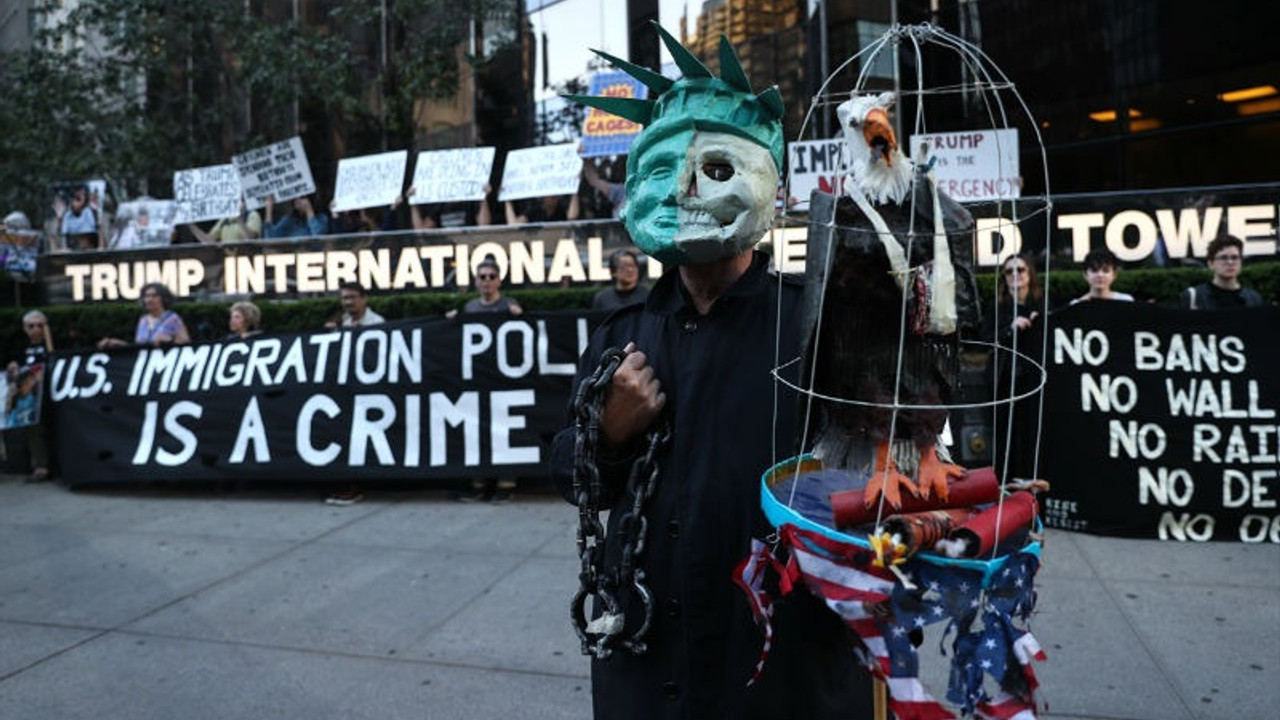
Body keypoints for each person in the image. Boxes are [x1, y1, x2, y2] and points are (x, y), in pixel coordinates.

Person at [550, 28, 874, 720]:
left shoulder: (816, 327)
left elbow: (886, 473)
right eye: (663, 170)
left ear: (771, 188)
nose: (687, 188)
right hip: (652, 668)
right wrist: (608, 433)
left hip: (781, 674)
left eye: (717, 167)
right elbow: (568, 474)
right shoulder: (621, 335)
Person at [448, 257, 522, 503]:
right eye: (483, 277)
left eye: (492, 276)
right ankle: (478, 483)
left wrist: (520, 318)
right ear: (476, 281)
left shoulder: (510, 305)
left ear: (499, 280)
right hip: (478, 383)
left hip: (504, 383)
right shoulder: (470, 309)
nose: (487, 281)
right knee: (477, 432)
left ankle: (506, 482)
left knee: (504, 431)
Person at [980, 253, 1046, 480]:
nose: (1015, 275)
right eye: (1009, 271)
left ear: (1030, 274)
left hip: (1034, 380)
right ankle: (1002, 486)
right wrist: (1010, 328)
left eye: (1020, 270)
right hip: (1003, 379)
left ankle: (1033, 486)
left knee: (1033, 434)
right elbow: (985, 341)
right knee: (1002, 436)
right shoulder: (997, 307)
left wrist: (1042, 323)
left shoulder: (1041, 303)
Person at [322, 282, 384, 506]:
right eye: (344, 298)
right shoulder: (342, 323)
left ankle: (355, 486)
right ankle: (346, 484)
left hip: (367, 393)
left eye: (352, 297)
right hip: (345, 392)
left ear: (363, 298)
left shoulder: (377, 324)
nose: (347, 302)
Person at [5, 310, 52, 481]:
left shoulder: (52, 344)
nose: (36, 329)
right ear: (25, 328)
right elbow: (12, 368)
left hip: (52, 392)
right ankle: (40, 466)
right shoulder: (20, 348)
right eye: (31, 326)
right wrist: (13, 367)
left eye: (40, 325)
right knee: (34, 429)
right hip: (31, 397)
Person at [1180, 233, 1265, 309]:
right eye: (1223, 258)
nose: (1230, 262)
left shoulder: (1253, 299)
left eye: (1235, 257)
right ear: (1211, 264)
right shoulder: (1194, 297)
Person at [97, 282, 191, 348]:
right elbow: (138, 347)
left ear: (163, 298)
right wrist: (117, 343)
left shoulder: (173, 319)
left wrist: (170, 341)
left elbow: (186, 343)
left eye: (154, 296)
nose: (149, 300)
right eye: (147, 296)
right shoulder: (143, 321)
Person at [53, 184, 102, 250]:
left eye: (78, 199)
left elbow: (98, 236)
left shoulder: (89, 213)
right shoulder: (67, 216)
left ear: (85, 202)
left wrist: (97, 212)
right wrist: (59, 219)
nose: (74, 203)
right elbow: (62, 240)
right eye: (72, 198)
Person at [188, 201, 262, 243]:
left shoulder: (252, 215)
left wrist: (240, 220)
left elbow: (251, 239)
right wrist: (191, 225)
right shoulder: (225, 219)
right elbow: (208, 241)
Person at [262, 195, 329, 239]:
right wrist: (269, 210)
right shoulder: (289, 220)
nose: (297, 200)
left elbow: (318, 235)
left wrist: (309, 210)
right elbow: (271, 238)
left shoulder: (321, 218)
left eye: (302, 197)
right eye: (295, 197)